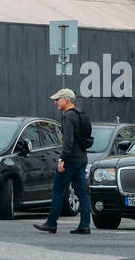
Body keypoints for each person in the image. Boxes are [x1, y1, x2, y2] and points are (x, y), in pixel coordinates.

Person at [34, 88, 92, 235]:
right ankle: (85, 225)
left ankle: (51, 223)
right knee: (82, 193)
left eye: (58, 99)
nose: (55, 102)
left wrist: (62, 159)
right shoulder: (81, 114)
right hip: (82, 159)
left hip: (70, 160)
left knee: (58, 191)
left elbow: (68, 141)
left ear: (66, 100)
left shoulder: (68, 117)